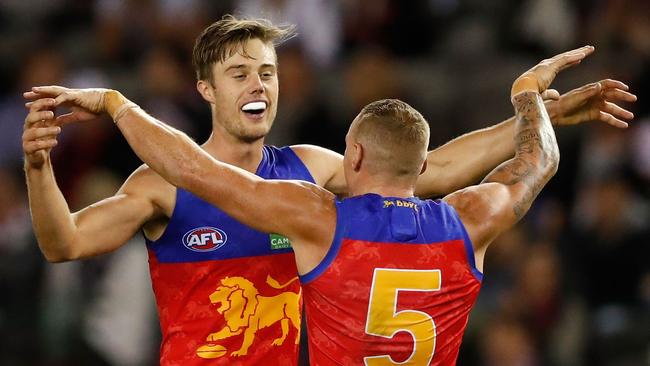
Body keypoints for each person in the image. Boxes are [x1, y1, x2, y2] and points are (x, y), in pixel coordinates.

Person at [23, 15, 636, 365]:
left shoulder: (311, 172)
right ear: (206, 90)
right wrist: (38, 169)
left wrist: (537, 119)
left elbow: (430, 169)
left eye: (267, 71)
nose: (257, 83)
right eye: (238, 74)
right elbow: (63, 243)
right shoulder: (159, 182)